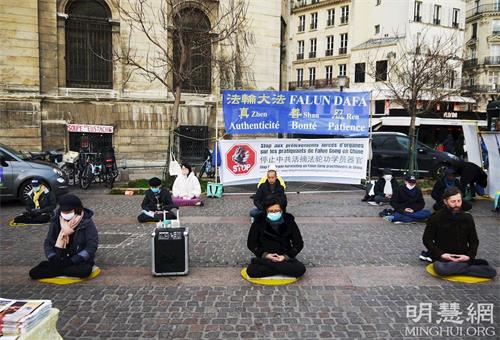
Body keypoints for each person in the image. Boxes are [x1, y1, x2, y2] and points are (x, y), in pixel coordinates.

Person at [423, 187, 496, 279]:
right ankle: (468, 269)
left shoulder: (467, 218)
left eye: (459, 201)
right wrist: (442, 254)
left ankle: (460, 268)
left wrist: (468, 256)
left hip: (462, 257)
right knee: (441, 269)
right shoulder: (436, 217)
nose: (456, 204)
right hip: (444, 258)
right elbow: (427, 239)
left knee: (491, 272)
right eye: (453, 202)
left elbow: (474, 241)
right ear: (445, 202)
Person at [29, 194, 99, 279]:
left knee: (85, 270)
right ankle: (62, 269)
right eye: (63, 212)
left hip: (78, 260)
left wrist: (73, 260)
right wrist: (52, 257)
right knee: (33, 273)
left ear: (76, 210)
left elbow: (91, 246)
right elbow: (48, 242)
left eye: (69, 212)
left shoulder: (86, 222)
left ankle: (58, 270)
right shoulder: (56, 220)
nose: (65, 214)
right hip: (60, 258)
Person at [246, 198, 306, 278]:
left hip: (284, 257)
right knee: (251, 271)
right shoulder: (259, 222)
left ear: (282, 210)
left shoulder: (289, 221)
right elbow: (251, 243)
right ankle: (280, 268)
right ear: (266, 211)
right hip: (266, 257)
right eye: (271, 211)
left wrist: (285, 257)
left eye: (277, 211)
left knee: (300, 269)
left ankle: (271, 267)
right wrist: (265, 255)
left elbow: (298, 244)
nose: (274, 213)